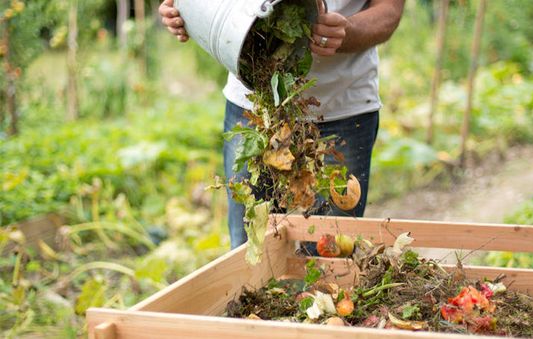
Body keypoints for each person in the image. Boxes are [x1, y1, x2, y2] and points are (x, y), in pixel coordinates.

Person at [159, 0, 405, 249]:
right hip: (254, 111)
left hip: (342, 109)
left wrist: (347, 30)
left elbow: (389, 11)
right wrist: (186, 10)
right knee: (250, 249)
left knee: (331, 257)